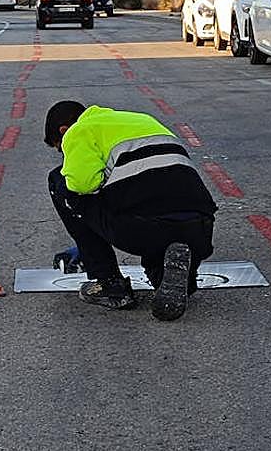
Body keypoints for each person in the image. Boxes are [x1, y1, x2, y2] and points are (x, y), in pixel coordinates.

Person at [45, 101, 217, 321]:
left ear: (64, 131)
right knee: (160, 247)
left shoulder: (79, 130)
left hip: (143, 228)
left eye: (60, 148)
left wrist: (88, 244)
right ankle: (180, 278)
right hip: (199, 229)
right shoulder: (143, 119)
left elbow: (82, 184)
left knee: (59, 180)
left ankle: (110, 283)